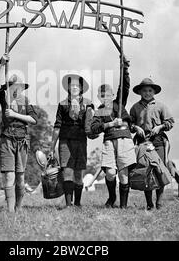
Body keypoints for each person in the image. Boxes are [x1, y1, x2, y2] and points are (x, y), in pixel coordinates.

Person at [0, 54, 38, 212]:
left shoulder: (26, 102)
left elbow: (34, 119)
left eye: (18, 87)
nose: (15, 90)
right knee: (9, 176)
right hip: (7, 140)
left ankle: (19, 207)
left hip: (22, 142)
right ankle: (10, 210)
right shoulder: (5, 100)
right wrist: (2, 65)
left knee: (20, 179)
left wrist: (15, 115)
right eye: (12, 87)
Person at [90, 56, 134, 209]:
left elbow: (125, 85)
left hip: (124, 139)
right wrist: (109, 124)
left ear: (113, 95)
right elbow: (93, 129)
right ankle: (112, 196)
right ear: (99, 97)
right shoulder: (99, 112)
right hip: (109, 141)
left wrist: (124, 68)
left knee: (123, 173)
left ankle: (123, 206)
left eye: (108, 95)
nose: (106, 98)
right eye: (102, 96)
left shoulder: (119, 103)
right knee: (110, 173)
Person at [130, 78, 174, 210]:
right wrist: (136, 128)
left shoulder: (161, 106)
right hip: (142, 143)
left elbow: (170, 122)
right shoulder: (135, 107)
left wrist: (159, 127)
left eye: (150, 90)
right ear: (140, 92)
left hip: (158, 141)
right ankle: (149, 203)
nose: (147, 93)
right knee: (145, 172)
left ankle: (159, 202)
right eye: (144, 91)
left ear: (154, 91)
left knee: (160, 171)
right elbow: (129, 124)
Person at [50, 71, 93, 208]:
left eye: (77, 85)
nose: (74, 87)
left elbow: (92, 125)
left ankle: (78, 204)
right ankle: (69, 205)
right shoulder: (62, 104)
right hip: (65, 141)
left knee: (78, 174)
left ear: (81, 88)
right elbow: (57, 127)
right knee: (67, 172)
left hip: (80, 141)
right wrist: (52, 148)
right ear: (68, 88)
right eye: (72, 85)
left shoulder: (88, 104)